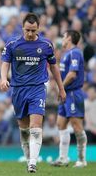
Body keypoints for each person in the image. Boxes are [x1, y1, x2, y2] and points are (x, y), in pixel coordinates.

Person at [0, 13, 66, 173]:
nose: (30, 33)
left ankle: (32, 163)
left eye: (33, 30)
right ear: (22, 27)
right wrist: (3, 79)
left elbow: (54, 67)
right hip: (18, 90)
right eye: (28, 30)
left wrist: (61, 87)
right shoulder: (12, 44)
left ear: (38, 28)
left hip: (37, 89)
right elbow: (5, 63)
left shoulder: (46, 45)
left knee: (35, 127)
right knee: (23, 129)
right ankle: (29, 158)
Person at [51, 30, 87, 168]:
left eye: (64, 36)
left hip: (72, 93)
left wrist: (61, 87)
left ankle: (81, 159)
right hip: (66, 93)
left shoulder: (75, 53)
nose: (62, 39)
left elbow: (72, 74)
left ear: (70, 38)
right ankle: (63, 158)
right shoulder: (67, 54)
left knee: (77, 126)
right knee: (61, 124)